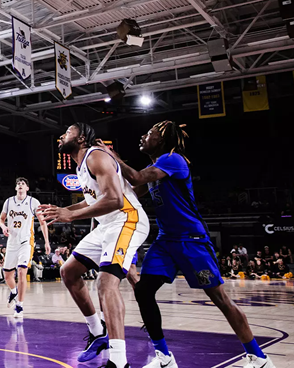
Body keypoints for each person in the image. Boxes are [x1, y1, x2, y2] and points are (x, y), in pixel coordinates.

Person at [99, 121, 273, 368]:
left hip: (191, 241)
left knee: (220, 299)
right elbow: (130, 193)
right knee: (143, 290)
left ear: (161, 140)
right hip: (166, 241)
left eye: (148, 134)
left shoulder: (174, 160)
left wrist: (112, 157)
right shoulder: (155, 166)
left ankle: (258, 357)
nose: (142, 136)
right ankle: (164, 358)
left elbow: (136, 177)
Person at [38, 123, 149, 368]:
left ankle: (119, 361)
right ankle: (98, 332)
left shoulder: (96, 156)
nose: (61, 135)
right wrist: (65, 210)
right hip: (108, 225)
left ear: (81, 138)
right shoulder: (81, 166)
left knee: (106, 281)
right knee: (68, 272)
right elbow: (94, 201)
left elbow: (115, 199)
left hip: (127, 219)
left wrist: (70, 216)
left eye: (68, 131)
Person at [0, 177, 50, 317]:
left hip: (26, 242)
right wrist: (3, 227)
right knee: (7, 275)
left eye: (23, 184)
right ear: (16, 188)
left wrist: (46, 242)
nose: (20, 185)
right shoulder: (9, 202)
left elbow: (43, 222)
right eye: (18, 184)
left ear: (27, 188)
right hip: (12, 242)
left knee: (22, 271)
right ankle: (14, 291)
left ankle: (19, 306)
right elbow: (1, 219)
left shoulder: (33, 202)